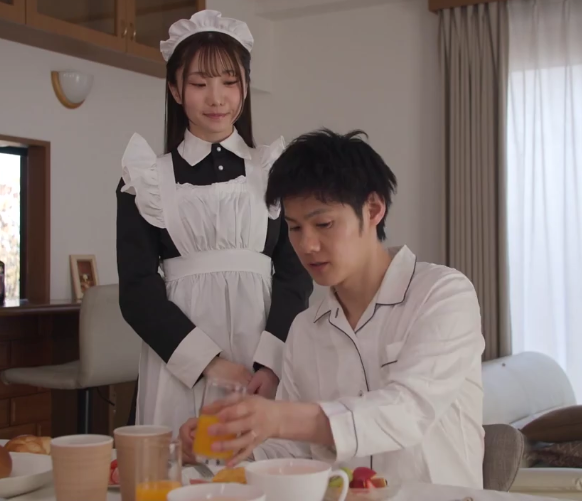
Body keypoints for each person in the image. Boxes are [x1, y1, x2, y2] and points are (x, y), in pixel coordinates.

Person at [181, 129, 486, 488]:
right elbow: (292, 454)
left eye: (323, 224)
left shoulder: (442, 295)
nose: (307, 245)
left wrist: (278, 417)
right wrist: (226, 446)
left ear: (373, 209)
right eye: (295, 228)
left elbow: (408, 410)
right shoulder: (305, 330)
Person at [116, 10, 313, 436]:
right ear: (175, 89)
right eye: (199, 84)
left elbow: (295, 276)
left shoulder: (275, 170)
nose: (216, 98)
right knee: (181, 464)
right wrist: (208, 363)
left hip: (264, 360)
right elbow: (136, 290)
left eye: (229, 82)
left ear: (245, 87)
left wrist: (270, 362)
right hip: (181, 365)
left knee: (265, 465)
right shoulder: (146, 179)